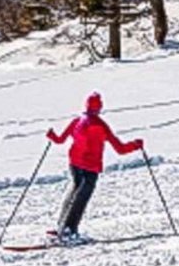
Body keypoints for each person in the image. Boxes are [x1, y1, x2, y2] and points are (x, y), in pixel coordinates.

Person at [45, 92, 143, 244]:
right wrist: (136, 145)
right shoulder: (101, 125)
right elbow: (120, 149)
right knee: (81, 198)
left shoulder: (77, 121)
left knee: (73, 192)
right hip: (90, 168)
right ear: (99, 107)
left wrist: (51, 136)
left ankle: (61, 227)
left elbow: (59, 140)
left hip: (74, 164)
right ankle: (69, 230)